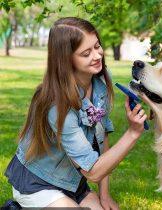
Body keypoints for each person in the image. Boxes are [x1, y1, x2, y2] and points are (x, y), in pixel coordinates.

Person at [4, 17, 147, 209]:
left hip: (72, 183)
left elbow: (102, 136)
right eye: (86, 53)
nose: (97, 56)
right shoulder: (56, 104)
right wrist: (132, 133)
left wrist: (104, 195)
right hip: (38, 183)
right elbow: (93, 172)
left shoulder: (100, 81)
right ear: (66, 59)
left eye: (97, 46)